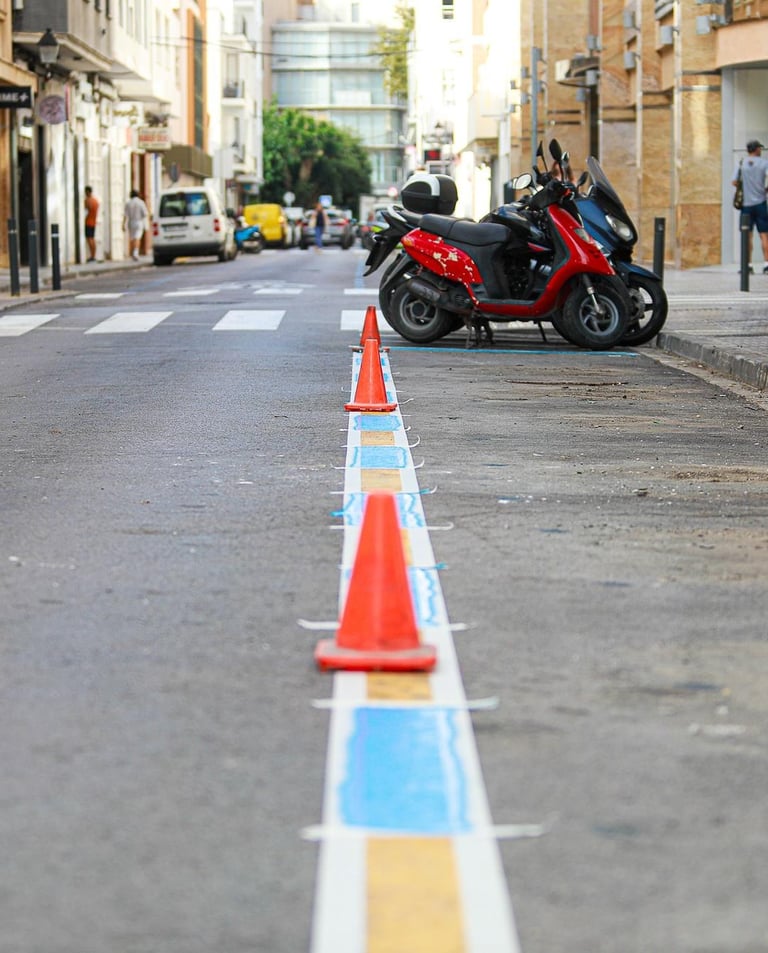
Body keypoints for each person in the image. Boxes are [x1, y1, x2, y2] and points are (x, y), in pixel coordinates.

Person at [732, 139, 768, 274]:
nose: (761, 150)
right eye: (760, 148)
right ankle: (766, 264)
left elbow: (734, 181)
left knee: (747, 235)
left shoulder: (741, 164)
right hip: (760, 203)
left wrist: (746, 186)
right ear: (756, 149)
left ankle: (748, 265)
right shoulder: (764, 163)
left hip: (746, 205)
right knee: (764, 235)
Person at [123, 189, 149, 261]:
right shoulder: (141, 202)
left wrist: (123, 224)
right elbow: (145, 214)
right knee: (137, 237)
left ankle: (133, 252)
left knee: (132, 237)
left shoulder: (128, 203)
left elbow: (125, 215)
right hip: (139, 222)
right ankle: (135, 252)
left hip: (131, 222)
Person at [83, 186, 99, 262]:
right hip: (93, 221)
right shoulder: (96, 201)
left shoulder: (88, 200)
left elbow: (86, 209)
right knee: (92, 238)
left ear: (87, 192)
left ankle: (92, 256)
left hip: (88, 221)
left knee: (90, 239)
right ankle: (93, 255)